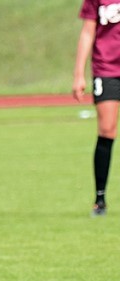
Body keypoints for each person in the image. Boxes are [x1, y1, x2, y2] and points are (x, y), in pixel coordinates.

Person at [73, 0, 120, 216]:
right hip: (107, 68)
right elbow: (87, 32)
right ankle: (100, 199)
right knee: (107, 130)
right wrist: (78, 74)